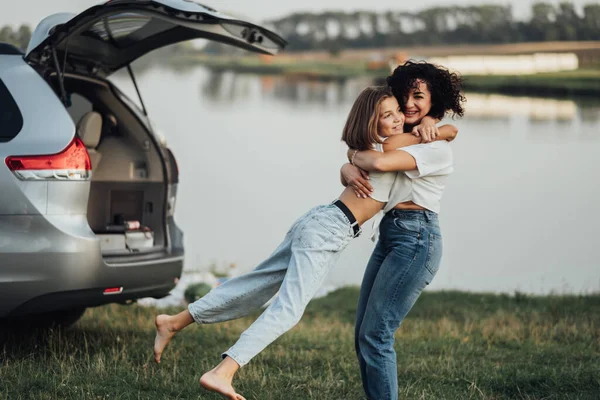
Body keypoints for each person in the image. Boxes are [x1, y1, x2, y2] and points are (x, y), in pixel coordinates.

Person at [152, 86, 457, 400]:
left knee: (256, 285)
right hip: (329, 229)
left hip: (320, 221)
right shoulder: (386, 147)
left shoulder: (377, 147)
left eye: (398, 112)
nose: (396, 118)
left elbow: (374, 155)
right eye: (387, 115)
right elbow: (385, 156)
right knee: (288, 309)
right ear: (371, 122)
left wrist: (435, 132)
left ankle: (175, 321)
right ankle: (223, 371)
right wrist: (441, 130)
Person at [341, 61, 466, 400]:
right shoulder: (407, 139)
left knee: (377, 334)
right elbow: (373, 152)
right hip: (391, 235)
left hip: (417, 238)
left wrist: (353, 158)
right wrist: (348, 166)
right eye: (404, 96)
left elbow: (380, 161)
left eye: (419, 96)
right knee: (363, 335)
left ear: (434, 101)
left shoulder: (436, 148)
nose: (409, 104)